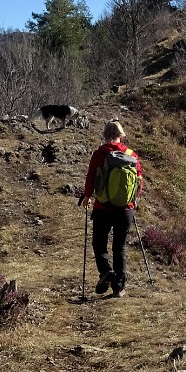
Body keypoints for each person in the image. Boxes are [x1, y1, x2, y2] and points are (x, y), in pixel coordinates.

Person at [79, 119, 143, 297]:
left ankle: (106, 271)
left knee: (99, 244)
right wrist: (134, 199)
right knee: (119, 247)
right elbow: (139, 180)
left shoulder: (100, 153)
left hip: (103, 207)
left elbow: (91, 176)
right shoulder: (132, 154)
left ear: (105, 135)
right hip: (125, 209)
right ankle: (119, 287)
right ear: (121, 136)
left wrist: (87, 196)